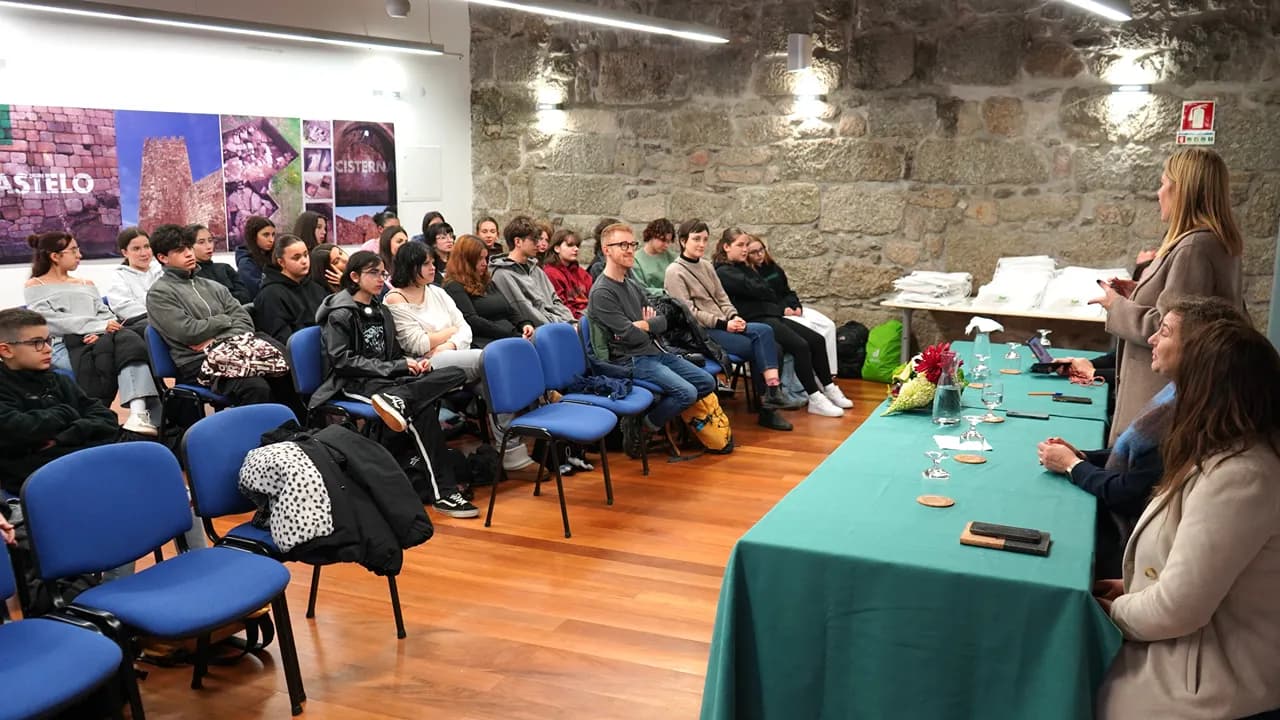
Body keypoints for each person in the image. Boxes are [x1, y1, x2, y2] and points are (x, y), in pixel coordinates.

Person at [1093, 320, 1280, 719]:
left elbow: (1178, 609)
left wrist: (1109, 611)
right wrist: (1132, 585)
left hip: (1207, 690)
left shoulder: (1242, 475)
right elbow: (1204, 570)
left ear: (1207, 390)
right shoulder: (1224, 455)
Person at [1035, 297, 1248, 578]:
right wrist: (1084, 456)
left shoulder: (1193, 416)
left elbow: (1131, 494)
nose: (1151, 339)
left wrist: (1073, 466)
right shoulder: (1178, 393)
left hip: (1125, 543)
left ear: (1196, 349)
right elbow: (1140, 459)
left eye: (1165, 332)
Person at [1091, 147, 1243, 440]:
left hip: (1160, 400)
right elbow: (1186, 308)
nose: (1158, 193)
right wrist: (1137, 292)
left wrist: (1116, 306)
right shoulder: (1215, 242)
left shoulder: (1193, 248)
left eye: (1163, 184)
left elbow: (1173, 330)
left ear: (1181, 190)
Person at [313, 251, 478, 518]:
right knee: (421, 408)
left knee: (455, 373)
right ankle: (445, 494)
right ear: (354, 276)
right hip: (354, 383)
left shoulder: (381, 310)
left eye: (383, 273)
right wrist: (397, 367)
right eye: (373, 273)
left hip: (389, 381)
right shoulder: (340, 313)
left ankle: (400, 398)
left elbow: (391, 353)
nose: (381, 279)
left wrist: (409, 364)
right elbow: (343, 361)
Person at [23, 232, 160, 436]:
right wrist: (97, 328)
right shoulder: (36, 285)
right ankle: (101, 417)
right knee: (125, 349)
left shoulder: (86, 284)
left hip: (100, 338)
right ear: (55, 256)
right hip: (64, 344)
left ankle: (138, 413)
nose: (80, 255)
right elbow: (50, 321)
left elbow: (106, 314)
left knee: (128, 341)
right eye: (74, 250)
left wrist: (101, 332)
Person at [665, 227, 799, 431]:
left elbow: (722, 299)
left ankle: (772, 393)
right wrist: (723, 324)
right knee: (769, 348)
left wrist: (734, 316)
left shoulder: (706, 265)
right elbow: (689, 314)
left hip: (724, 324)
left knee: (765, 331)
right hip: (702, 332)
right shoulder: (674, 271)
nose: (701, 244)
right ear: (683, 241)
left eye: (705, 239)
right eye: (696, 239)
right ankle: (769, 407)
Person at [588, 223, 716, 432]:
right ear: (606, 250)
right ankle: (642, 429)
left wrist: (645, 324)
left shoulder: (631, 284)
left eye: (632, 244)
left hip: (654, 351)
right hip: (631, 359)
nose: (630, 250)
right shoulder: (602, 292)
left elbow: (663, 322)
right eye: (623, 245)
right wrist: (647, 327)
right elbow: (630, 336)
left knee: (707, 382)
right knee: (687, 393)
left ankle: (645, 417)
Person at [715, 228, 851, 417]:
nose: (745, 249)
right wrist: (762, 290)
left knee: (817, 339)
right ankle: (814, 397)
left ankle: (828, 387)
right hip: (756, 320)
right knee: (800, 346)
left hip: (771, 314)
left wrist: (765, 291)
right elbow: (757, 289)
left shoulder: (744, 267)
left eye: (746, 245)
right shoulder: (724, 271)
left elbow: (768, 289)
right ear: (726, 247)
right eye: (740, 245)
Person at [147, 224, 284, 407]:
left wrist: (216, 338)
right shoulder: (159, 294)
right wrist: (225, 319)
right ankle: (255, 427)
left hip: (235, 349)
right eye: (180, 251)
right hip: (197, 361)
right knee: (255, 386)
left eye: (189, 248)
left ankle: (290, 424)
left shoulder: (212, 286)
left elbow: (245, 321)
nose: (189, 254)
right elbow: (188, 332)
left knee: (282, 372)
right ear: (162, 258)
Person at [0, 307, 123, 494]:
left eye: (48, 340)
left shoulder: (58, 380)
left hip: (77, 455)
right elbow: (19, 429)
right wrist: (67, 413)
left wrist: (66, 435)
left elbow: (106, 417)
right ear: (6, 350)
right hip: (36, 475)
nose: (48, 349)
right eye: (37, 343)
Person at [746, 236, 839, 377]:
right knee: (809, 328)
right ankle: (812, 373)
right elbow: (765, 300)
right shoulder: (750, 275)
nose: (759, 255)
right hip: (775, 312)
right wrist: (784, 309)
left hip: (789, 307)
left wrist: (796, 305)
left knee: (828, 325)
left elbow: (787, 291)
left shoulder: (772, 267)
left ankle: (830, 371)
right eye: (754, 252)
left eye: (761, 250)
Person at [443, 235, 535, 349]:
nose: (484, 263)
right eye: (479, 259)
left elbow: (509, 309)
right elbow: (472, 321)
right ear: (466, 261)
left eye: (485, 258)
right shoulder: (453, 286)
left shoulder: (486, 281)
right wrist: (512, 335)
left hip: (509, 336)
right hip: (485, 342)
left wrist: (524, 324)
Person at [490, 216, 575, 327]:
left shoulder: (536, 270)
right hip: (540, 330)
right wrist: (562, 325)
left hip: (558, 325)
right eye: (534, 240)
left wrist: (571, 322)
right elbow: (526, 311)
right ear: (518, 242)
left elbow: (555, 301)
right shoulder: (502, 275)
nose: (538, 244)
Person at [253, 234, 330, 346]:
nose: (304, 261)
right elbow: (280, 339)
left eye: (305, 255)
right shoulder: (270, 295)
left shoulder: (315, 287)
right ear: (281, 262)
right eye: (296, 258)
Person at [103, 226, 162, 327]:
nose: (144, 253)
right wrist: (156, 315)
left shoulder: (161, 270)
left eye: (147, 246)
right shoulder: (119, 277)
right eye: (136, 249)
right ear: (125, 252)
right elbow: (122, 307)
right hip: (141, 324)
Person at [190, 223, 252, 304]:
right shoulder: (191, 275)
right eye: (201, 242)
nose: (209, 246)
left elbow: (245, 296)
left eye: (210, 241)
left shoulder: (225, 268)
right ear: (189, 246)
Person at [540, 229, 592, 320]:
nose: (576, 249)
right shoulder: (550, 273)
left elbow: (593, 297)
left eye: (577, 246)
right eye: (570, 245)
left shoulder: (581, 272)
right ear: (557, 248)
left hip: (589, 315)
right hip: (570, 319)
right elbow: (560, 306)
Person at [235, 215, 276, 300]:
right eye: (266, 235)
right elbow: (258, 292)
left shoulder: (272, 256)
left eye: (273, 235)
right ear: (253, 236)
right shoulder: (246, 264)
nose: (271, 240)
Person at [632, 218, 677, 294]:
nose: (666, 245)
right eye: (662, 240)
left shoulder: (672, 257)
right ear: (651, 236)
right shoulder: (636, 260)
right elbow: (640, 289)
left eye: (668, 241)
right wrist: (664, 292)